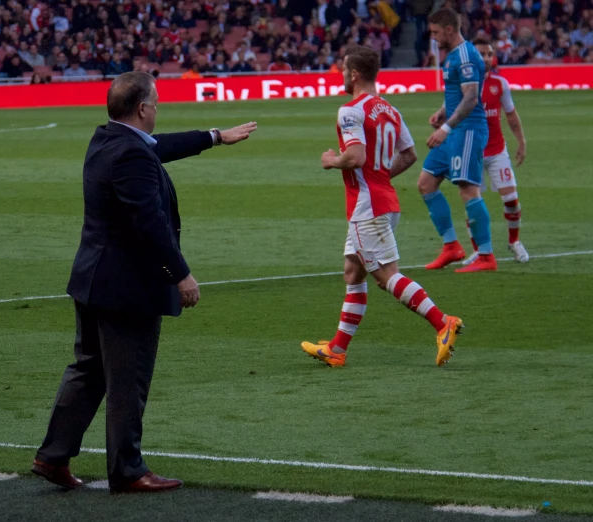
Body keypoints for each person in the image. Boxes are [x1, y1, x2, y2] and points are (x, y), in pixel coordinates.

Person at [32, 71, 257, 493]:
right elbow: (149, 222)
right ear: (141, 108)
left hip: (93, 279)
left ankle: (53, 454)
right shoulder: (132, 154)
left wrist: (215, 136)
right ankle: (128, 469)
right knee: (127, 379)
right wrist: (181, 274)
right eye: (155, 103)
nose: (157, 109)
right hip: (126, 287)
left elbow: (159, 148)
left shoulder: (106, 139)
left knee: (89, 370)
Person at [300, 47, 463, 369]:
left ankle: (443, 322)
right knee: (352, 271)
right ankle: (337, 348)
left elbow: (356, 157)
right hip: (384, 199)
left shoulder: (351, 111)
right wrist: (379, 176)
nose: (342, 74)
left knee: (386, 275)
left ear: (355, 74)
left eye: (344, 69)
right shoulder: (390, 109)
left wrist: (332, 161)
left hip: (368, 206)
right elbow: (410, 155)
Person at [417, 8, 494, 273]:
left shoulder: (467, 55)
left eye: (437, 33)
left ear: (450, 30)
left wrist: (446, 128)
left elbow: (472, 98)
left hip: (468, 130)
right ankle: (451, 247)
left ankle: (486, 256)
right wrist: (443, 110)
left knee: (467, 190)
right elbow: (458, 92)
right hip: (454, 129)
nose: (434, 38)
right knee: (426, 184)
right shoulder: (452, 56)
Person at [459, 38, 529, 265]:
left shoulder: (500, 84)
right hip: (472, 152)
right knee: (472, 205)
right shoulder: (462, 85)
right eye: (482, 54)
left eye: (489, 54)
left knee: (511, 200)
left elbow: (511, 114)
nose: (487, 58)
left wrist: (521, 141)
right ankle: (479, 251)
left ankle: (514, 242)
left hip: (497, 151)